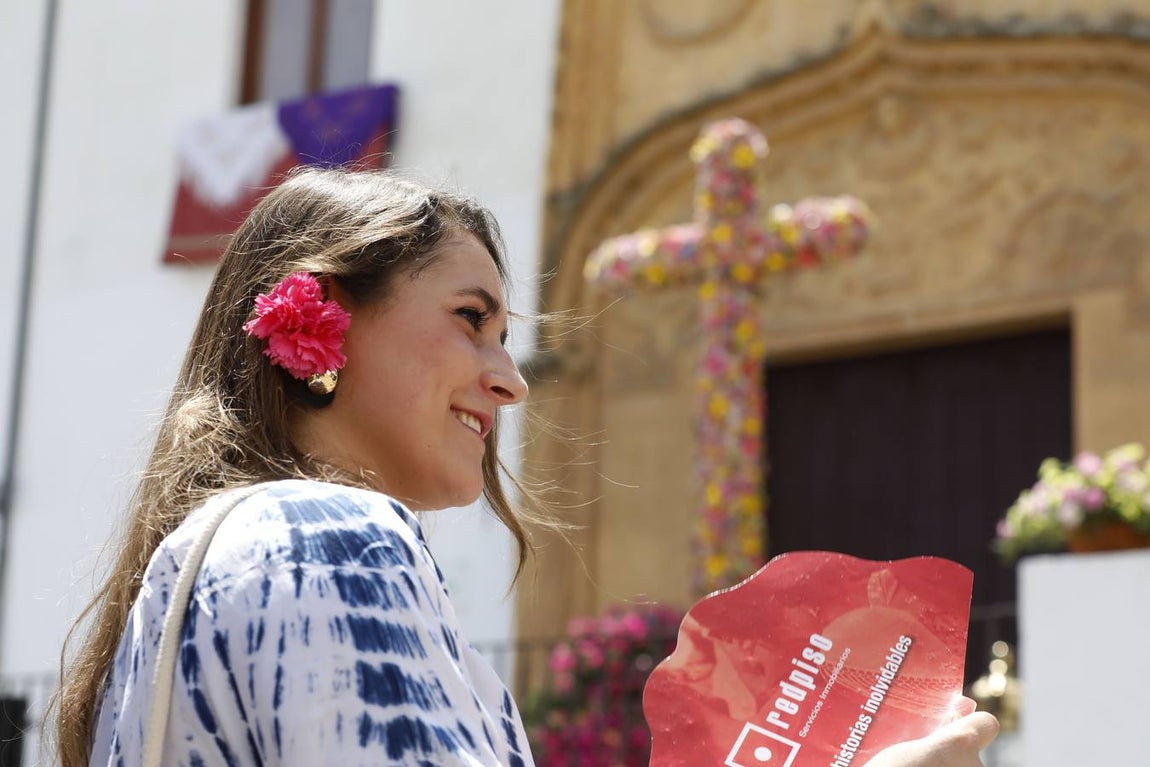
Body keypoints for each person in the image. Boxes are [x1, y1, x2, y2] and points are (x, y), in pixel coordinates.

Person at [54, 168, 997, 766]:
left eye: (510, 338)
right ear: (324, 313)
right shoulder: (322, 533)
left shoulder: (179, 581)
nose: (510, 382)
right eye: (473, 320)